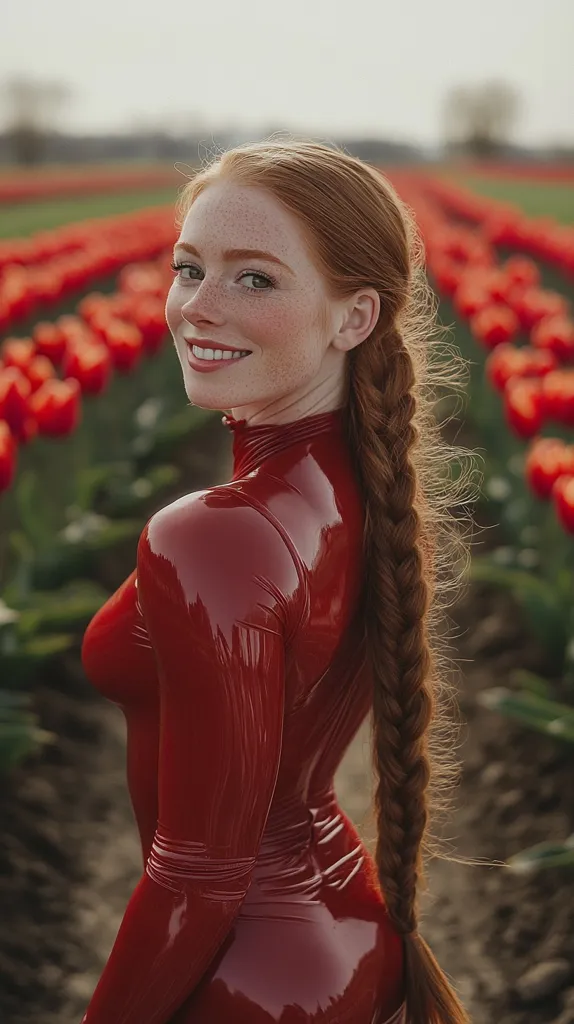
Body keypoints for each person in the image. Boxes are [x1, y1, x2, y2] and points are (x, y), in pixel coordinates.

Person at [80, 137, 476, 1023]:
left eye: (254, 278)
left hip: (248, 980)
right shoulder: (365, 487)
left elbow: (201, 875)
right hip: (348, 937)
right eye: (189, 269)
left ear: (354, 317)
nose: (197, 309)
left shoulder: (215, 538)